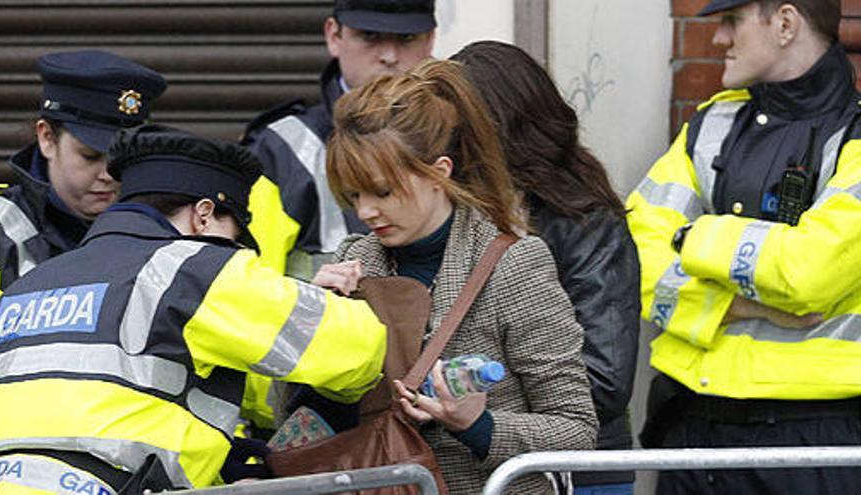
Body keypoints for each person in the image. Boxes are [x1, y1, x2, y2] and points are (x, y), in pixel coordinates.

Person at [0, 124, 387, 493]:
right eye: (236, 240)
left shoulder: (31, 284)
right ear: (204, 216)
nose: (239, 257)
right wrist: (312, 304)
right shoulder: (192, 267)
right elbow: (358, 349)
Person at [313, 59, 598, 494]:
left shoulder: (514, 264)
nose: (366, 211)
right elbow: (303, 420)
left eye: (382, 191)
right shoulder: (354, 262)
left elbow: (575, 428)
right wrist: (312, 325)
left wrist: (477, 426)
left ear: (439, 173)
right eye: (354, 195)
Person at [626, 1, 861, 493]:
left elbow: (806, 273)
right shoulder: (709, 125)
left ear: (785, 23)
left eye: (732, 21)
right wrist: (730, 305)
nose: (718, 39)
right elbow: (632, 258)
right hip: (691, 424)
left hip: (815, 440)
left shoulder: (854, 140)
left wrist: (693, 235)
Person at [452, 40, 641, 495]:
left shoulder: (586, 221)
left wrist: (483, 410)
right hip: (475, 462)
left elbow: (606, 378)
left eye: (460, 128)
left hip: (578, 468)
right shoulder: (449, 211)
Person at [241, 0, 436, 281]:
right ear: (334, 36)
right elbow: (252, 293)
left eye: (407, 38)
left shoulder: (463, 135)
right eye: (370, 36)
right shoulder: (282, 149)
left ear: (430, 41)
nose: (390, 56)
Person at [0, 50, 166, 316]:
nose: (108, 174)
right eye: (90, 156)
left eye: (123, 159)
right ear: (46, 138)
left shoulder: (167, 225)